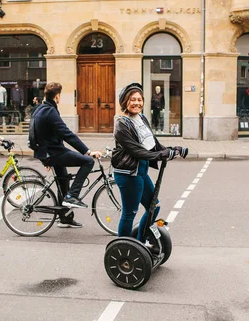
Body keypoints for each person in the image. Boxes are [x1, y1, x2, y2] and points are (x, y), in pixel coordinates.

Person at [112, 82, 185, 244]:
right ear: (125, 101)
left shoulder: (142, 118)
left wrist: (174, 149)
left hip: (141, 171)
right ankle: (123, 247)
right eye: (132, 99)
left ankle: (140, 241)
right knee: (130, 212)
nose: (137, 103)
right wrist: (161, 155)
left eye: (139, 99)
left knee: (154, 206)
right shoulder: (121, 124)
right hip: (128, 173)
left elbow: (152, 143)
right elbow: (136, 151)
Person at [30, 82, 102, 228]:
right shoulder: (50, 111)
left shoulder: (41, 109)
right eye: (60, 95)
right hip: (54, 152)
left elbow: (36, 134)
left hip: (50, 152)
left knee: (63, 183)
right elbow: (67, 134)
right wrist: (88, 151)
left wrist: (44, 158)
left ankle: (65, 218)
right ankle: (72, 196)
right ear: (57, 97)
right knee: (88, 161)